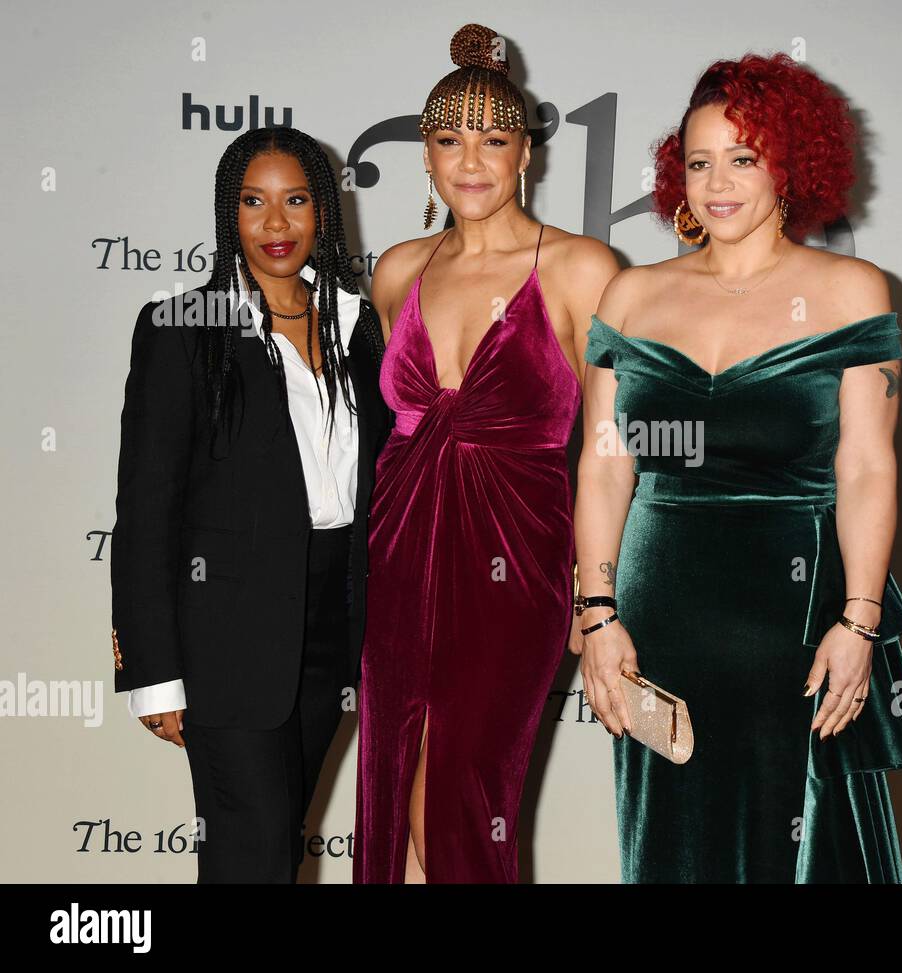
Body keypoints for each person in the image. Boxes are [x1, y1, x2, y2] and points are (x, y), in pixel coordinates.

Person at [575, 51, 902, 884]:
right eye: (699, 162)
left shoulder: (852, 290)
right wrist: (596, 615)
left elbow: (869, 468)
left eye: (744, 157)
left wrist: (860, 620)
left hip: (798, 621)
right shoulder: (630, 295)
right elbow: (602, 467)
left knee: (805, 845)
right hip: (660, 617)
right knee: (672, 840)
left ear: (790, 166)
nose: (718, 182)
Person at [353, 23, 618, 884]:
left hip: (516, 565)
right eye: (448, 139)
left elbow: (611, 447)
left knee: (464, 788)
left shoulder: (583, 270)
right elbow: (393, 431)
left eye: (493, 139)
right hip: (398, 560)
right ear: (425, 157)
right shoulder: (395, 272)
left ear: (527, 156)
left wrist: (598, 589)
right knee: (401, 787)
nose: (470, 160)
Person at [110, 126, 391, 883]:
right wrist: (154, 672)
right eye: (253, 202)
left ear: (323, 213)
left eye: (296, 200)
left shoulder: (358, 326)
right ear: (226, 214)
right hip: (224, 639)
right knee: (255, 851)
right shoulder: (181, 331)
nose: (276, 224)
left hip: (331, 631)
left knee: (273, 843)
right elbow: (145, 514)